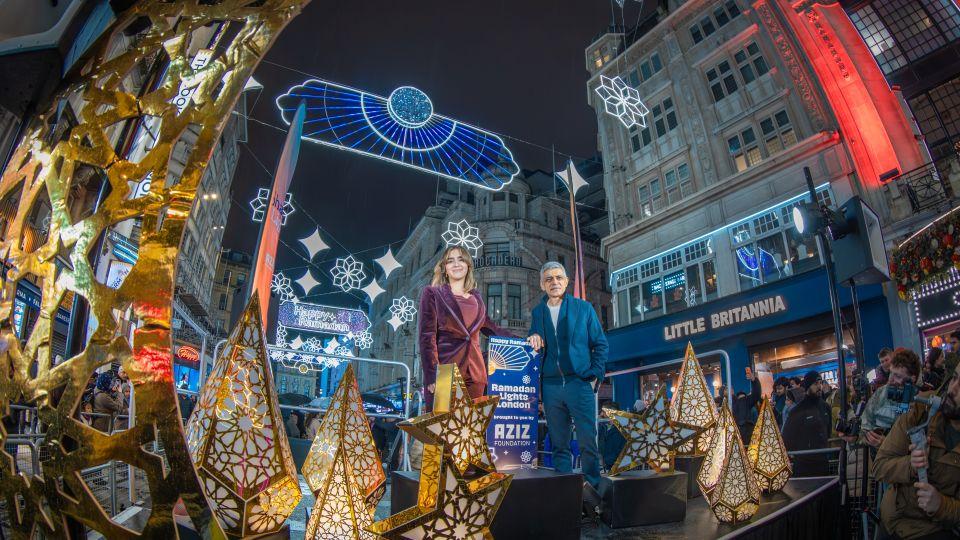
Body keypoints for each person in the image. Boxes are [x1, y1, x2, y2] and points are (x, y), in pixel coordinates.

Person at [527, 261, 608, 501]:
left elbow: (600, 344)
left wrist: (594, 374)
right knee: (559, 444)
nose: (554, 282)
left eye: (559, 277)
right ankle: (566, 495)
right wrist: (532, 336)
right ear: (542, 284)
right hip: (550, 386)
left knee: (587, 442)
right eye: (549, 279)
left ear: (566, 281)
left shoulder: (584, 309)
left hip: (579, 383)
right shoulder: (537, 313)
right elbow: (535, 343)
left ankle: (593, 491)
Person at [418, 245, 513, 409]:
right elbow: (427, 337)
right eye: (450, 261)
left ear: (468, 265)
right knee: (443, 430)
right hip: (445, 372)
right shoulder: (433, 293)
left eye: (461, 259)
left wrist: (526, 341)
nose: (456, 264)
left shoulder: (476, 297)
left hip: (475, 374)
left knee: (468, 432)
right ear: (445, 268)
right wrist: (432, 375)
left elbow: (493, 329)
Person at [873, 361, 960, 539]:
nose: (952, 389)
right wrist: (910, 464)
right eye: (955, 378)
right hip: (891, 523)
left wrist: (941, 506)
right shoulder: (922, 409)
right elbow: (880, 466)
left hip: (933, 531)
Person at [860, 348, 922, 449]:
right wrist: (864, 436)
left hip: (904, 462)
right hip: (878, 459)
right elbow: (865, 425)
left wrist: (887, 444)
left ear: (912, 379)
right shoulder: (880, 393)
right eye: (891, 373)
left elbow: (918, 446)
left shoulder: (920, 403)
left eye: (897, 376)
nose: (891, 380)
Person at [782, 371, 832, 476]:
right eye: (815, 384)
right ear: (808, 386)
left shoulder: (825, 407)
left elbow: (828, 430)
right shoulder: (798, 411)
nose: (819, 386)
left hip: (823, 462)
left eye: (820, 383)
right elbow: (787, 437)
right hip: (804, 464)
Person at [732, 371, 762, 441]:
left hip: (745, 434)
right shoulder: (725, 405)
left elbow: (756, 394)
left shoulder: (745, 402)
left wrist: (754, 380)